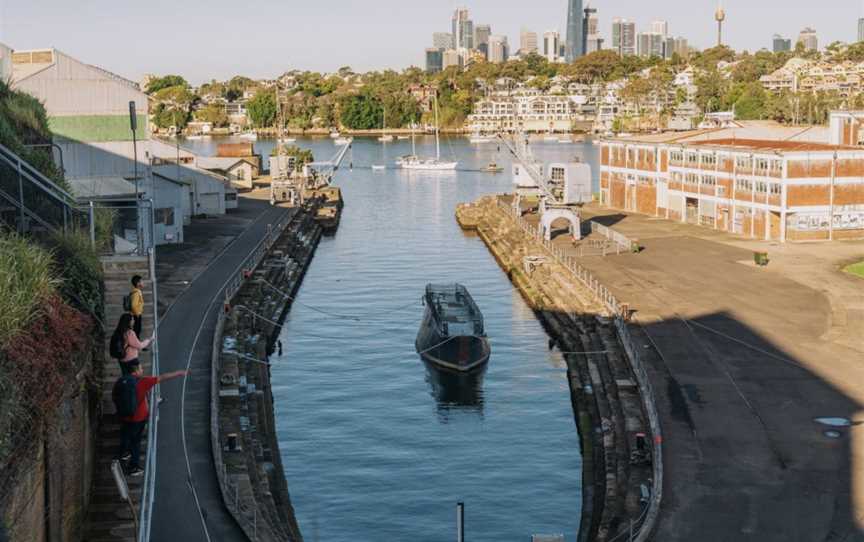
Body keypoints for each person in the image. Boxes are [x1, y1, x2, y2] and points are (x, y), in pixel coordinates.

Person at [118, 363, 188, 476]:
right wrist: (179, 373)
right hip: (138, 418)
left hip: (125, 416)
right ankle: (133, 467)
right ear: (135, 371)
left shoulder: (122, 381)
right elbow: (163, 377)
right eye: (140, 368)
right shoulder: (143, 382)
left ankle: (123, 454)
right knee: (136, 441)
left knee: (126, 436)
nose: (142, 370)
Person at [129, 275, 145, 339]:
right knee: (136, 331)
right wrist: (137, 313)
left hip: (136, 314)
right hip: (136, 315)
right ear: (138, 283)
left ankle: (137, 345)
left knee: (137, 331)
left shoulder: (137, 291)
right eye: (142, 281)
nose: (143, 283)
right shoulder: (136, 293)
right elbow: (133, 305)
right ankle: (136, 346)